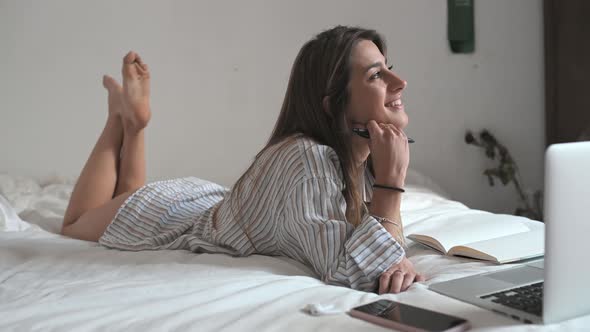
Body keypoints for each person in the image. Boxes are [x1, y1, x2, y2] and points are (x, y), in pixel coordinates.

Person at [61, 25, 425, 294]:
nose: (401, 81)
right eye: (377, 75)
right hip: (169, 216)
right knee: (75, 224)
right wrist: (391, 186)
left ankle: (135, 125)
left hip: (205, 201)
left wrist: (394, 251)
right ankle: (120, 120)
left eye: (388, 67)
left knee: (120, 197)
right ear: (334, 105)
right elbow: (353, 273)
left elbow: (372, 249)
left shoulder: (359, 157)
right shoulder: (306, 159)